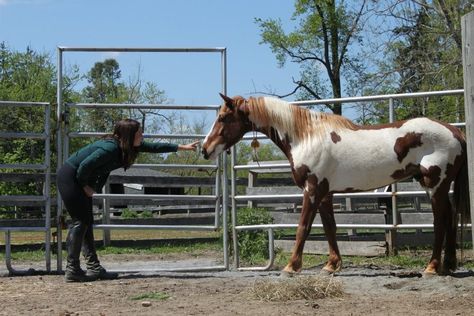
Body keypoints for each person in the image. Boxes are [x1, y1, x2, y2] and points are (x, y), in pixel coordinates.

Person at [57, 118, 199, 282]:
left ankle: (93, 267)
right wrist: (85, 186)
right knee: (80, 222)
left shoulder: (128, 146)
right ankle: (72, 269)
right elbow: (84, 167)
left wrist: (182, 147)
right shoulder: (110, 149)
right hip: (71, 178)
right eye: (139, 132)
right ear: (129, 135)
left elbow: (154, 147)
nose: (142, 135)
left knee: (86, 222)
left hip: (80, 179)